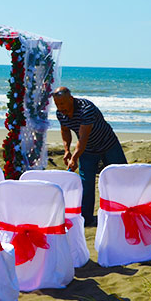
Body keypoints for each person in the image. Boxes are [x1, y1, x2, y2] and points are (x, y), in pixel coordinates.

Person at [52, 87, 127, 226]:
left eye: (62, 104)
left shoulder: (86, 109)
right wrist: (67, 150)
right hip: (88, 150)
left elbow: (83, 138)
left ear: (71, 99)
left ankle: (126, 210)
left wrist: (74, 158)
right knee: (85, 183)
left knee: (121, 176)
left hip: (108, 144)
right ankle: (86, 218)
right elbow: (65, 131)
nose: (60, 108)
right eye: (57, 104)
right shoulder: (60, 113)